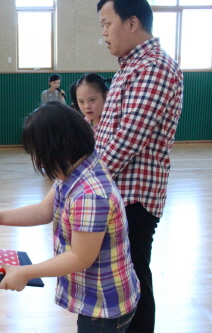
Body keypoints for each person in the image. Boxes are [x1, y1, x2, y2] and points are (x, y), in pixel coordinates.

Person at [0, 102, 139, 333]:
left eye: (37, 153)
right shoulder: (75, 169)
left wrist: (26, 272)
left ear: (55, 149)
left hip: (104, 307)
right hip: (97, 299)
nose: (37, 161)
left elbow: (79, 257)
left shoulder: (89, 195)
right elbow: (43, 210)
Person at [96, 1, 184, 332]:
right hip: (117, 195)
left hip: (134, 200)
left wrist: (82, 180)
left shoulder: (154, 67)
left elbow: (128, 140)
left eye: (107, 23)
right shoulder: (130, 67)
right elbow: (109, 136)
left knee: (134, 284)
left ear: (132, 23)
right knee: (124, 283)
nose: (103, 33)